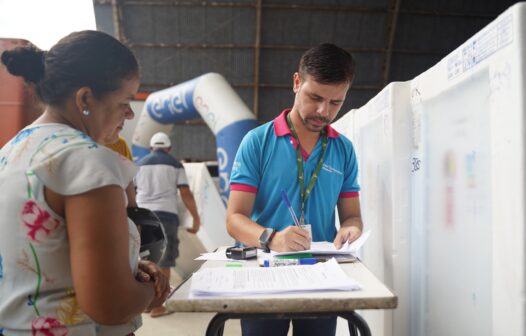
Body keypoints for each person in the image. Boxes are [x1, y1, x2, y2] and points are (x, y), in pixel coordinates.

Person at [0, 30, 170, 335]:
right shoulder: (87, 161)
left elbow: (46, 256)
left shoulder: (12, 152)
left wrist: (126, 266)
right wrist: (154, 292)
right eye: (124, 102)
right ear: (85, 98)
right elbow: (110, 304)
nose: (130, 114)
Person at [226, 43, 363, 336]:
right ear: (296, 82)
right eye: (315, 97)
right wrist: (272, 238)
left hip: (320, 277)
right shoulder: (257, 141)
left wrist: (351, 229)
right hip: (264, 274)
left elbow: (352, 217)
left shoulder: (343, 150)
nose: (323, 111)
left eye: (336, 102)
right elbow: (234, 219)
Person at [134, 131, 201, 318]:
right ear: (169, 148)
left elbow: (131, 191)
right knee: (164, 260)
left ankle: (144, 303)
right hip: (166, 216)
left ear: (151, 147)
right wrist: (196, 217)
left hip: (142, 216)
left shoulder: (138, 165)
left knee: (144, 260)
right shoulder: (175, 164)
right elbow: (185, 193)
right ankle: (158, 305)